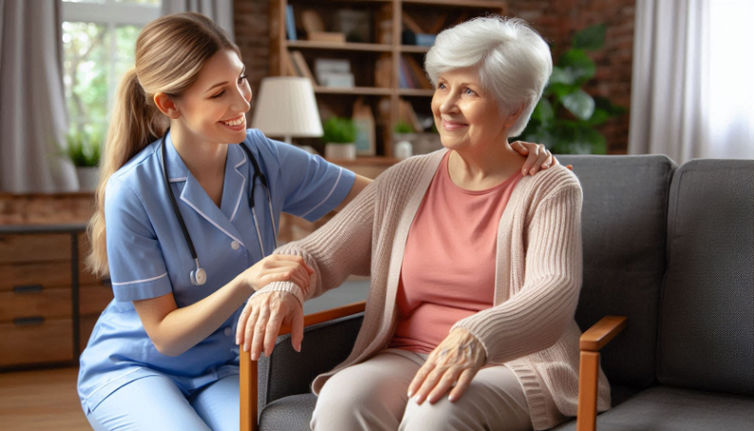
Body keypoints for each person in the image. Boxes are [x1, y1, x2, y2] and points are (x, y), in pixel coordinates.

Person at [76, 12, 553, 431]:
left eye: (241, 80)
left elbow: (396, 204)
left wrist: (505, 158)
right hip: (140, 367)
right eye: (220, 93)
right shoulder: (133, 191)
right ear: (169, 105)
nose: (242, 104)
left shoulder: (263, 158)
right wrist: (249, 281)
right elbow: (165, 333)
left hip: (228, 366)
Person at [237, 16, 610, 431]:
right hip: (409, 354)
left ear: (515, 108)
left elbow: (553, 291)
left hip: (513, 365)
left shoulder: (549, 186)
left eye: (468, 91)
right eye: (442, 85)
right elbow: (317, 252)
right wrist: (288, 283)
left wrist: (478, 335)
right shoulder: (406, 178)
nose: (446, 105)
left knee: (435, 412)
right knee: (343, 399)